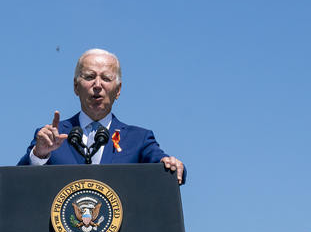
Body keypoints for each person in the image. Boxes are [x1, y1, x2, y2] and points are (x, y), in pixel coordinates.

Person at [17, 48, 185, 184]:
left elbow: (164, 166)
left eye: (106, 78)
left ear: (118, 90)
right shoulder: (51, 136)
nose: (97, 85)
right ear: (76, 86)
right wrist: (39, 155)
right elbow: (19, 183)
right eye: (89, 77)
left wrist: (173, 166)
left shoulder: (139, 139)